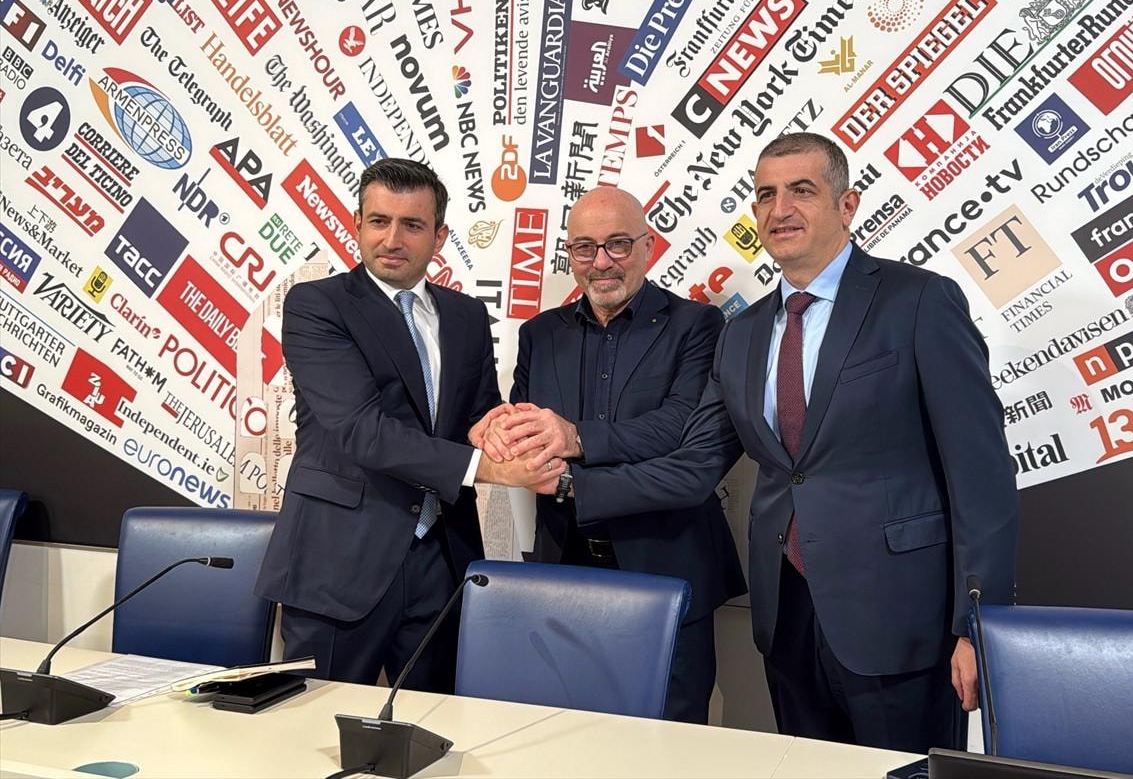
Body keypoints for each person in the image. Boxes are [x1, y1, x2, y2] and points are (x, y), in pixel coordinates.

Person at [555, 134, 1019, 752]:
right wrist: (568, 483)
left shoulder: (918, 300)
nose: (780, 209)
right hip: (787, 617)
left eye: (802, 190)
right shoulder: (742, 332)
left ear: (847, 205)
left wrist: (977, 621)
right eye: (766, 194)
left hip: (902, 619)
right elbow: (696, 464)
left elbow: (980, 471)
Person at [255, 159, 560, 689]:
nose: (392, 239)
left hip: (442, 558)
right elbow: (361, 430)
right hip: (339, 561)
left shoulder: (466, 315)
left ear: (439, 236)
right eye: (379, 221)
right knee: (312, 723)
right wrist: (489, 469)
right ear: (357, 224)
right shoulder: (316, 306)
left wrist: (501, 431)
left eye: (412, 225)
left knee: (433, 724)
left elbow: (475, 413)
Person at [471, 187, 745, 723]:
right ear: (569, 254)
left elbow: (679, 428)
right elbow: (528, 430)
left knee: (672, 737)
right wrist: (499, 431)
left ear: (648, 246)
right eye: (585, 247)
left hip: (667, 563)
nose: (601, 262)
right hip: (562, 566)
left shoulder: (698, 325)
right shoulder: (539, 334)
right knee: (566, 729)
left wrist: (575, 438)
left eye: (618, 244)